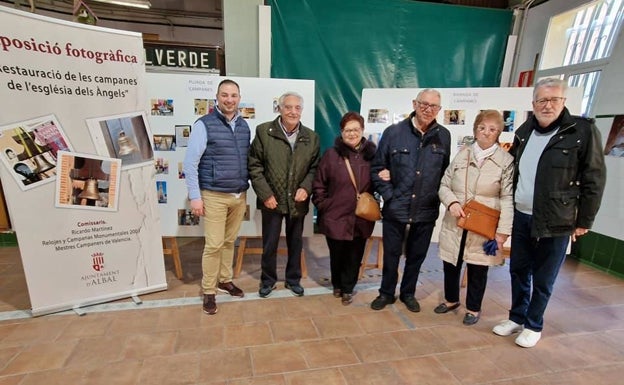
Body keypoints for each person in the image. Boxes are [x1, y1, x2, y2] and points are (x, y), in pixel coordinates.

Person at [492, 78, 606, 347]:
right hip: (522, 215)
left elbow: (594, 178)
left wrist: (584, 220)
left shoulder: (582, 131)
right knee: (518, 271)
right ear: (533, 104)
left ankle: (534, 324)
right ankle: (517, 317)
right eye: (542, 100)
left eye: (554, 99)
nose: (548, 105)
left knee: (544, 276)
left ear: (563, 101)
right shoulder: (524, 131)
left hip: (557, 219)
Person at [369, 88, 451, 312]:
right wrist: (389, 195)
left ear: (439, 110)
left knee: (416, 256)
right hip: (397, 207)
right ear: (415, 104)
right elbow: (377, 168)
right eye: (424, 104)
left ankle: (408, 293)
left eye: (433, 106)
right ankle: (386, 293)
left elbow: (445, 173)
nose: (428, 109)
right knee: (391, 255)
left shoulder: (443, 136)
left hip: (426, 209)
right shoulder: (393, 132)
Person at [436, 110, 514, 325]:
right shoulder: (463, 154)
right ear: (475, 129)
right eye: (482, 127)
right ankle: (451, 299)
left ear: (498, 132)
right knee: (451, 262)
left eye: (492, 129)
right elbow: (444, 184)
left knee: (478, 267)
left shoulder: (506, 161)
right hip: (456, 220)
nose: (486, 133)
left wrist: (503, 232)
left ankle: (473, 308)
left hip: (484, 224)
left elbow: (508, 198)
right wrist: (451, 202)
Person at [183, 79, 250, 315]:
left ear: (239, 98)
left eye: (233, 95)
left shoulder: (244, 127)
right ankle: (209, 290)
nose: (229, 99)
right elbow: (190, 164)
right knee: (213, 245)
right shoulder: (204, 124)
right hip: (213, 195)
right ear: (217, 97)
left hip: (238, 195)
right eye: (225, 95)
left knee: (229, 241)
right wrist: (195, 196)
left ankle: (224, 279)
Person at [248, 91, 320, 298]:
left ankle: (293, 279)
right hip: (272, 200)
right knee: (269, 243)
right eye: (288, 107)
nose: (293, 111)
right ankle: (268, 280)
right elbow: (254, 167)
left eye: (297, 108)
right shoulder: (264, 132)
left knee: (296, 242)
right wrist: (265, 194)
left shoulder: (311, 137)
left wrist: (306, 188)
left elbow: (315, 168)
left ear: (301, 111)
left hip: (297, 201)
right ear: (279, 109)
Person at [312, 112, 377, 305]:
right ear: (341, 132)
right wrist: (323, 205)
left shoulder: (372, 155)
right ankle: (337, 284)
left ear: (362, 130)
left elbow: (378, 182)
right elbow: (319, 183)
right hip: (335, 216)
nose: (352, 133)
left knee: (355, 253)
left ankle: (348, 288)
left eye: (356, 129)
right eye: (348, 130)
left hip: (361, 216)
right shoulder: (331, 155)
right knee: (337, 253)